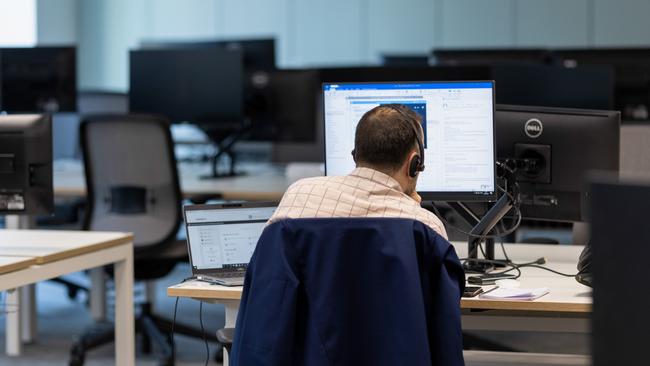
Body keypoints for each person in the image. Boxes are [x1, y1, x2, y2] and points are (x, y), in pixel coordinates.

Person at [269, 103, 447, 239]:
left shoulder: (299, 195)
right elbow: (444, 288)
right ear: (414, 164)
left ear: (355, 155)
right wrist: (412, 208)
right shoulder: (425, 226)